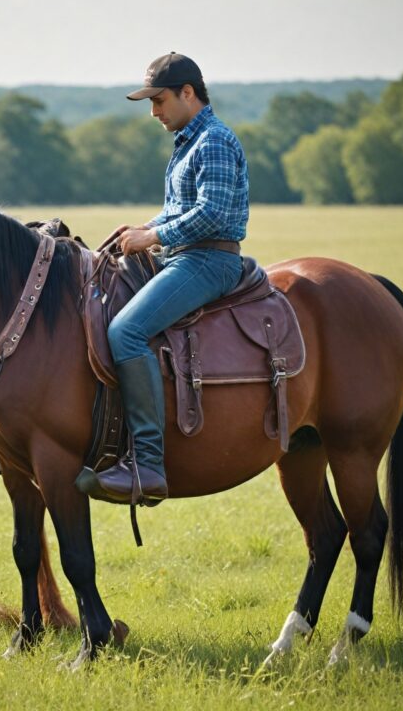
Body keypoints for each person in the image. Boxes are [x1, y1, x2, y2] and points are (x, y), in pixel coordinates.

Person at [90, 52, 250, 504]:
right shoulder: (188, 142)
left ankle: (147, 463)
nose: (153, 112)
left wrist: (154, 236)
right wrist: (142, 230)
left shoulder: (213, 141)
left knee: (126, 332)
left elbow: (212, 214)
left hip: (207, 262)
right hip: (181, 256)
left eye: (158, 101)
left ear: (187, 93)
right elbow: (180, 210)